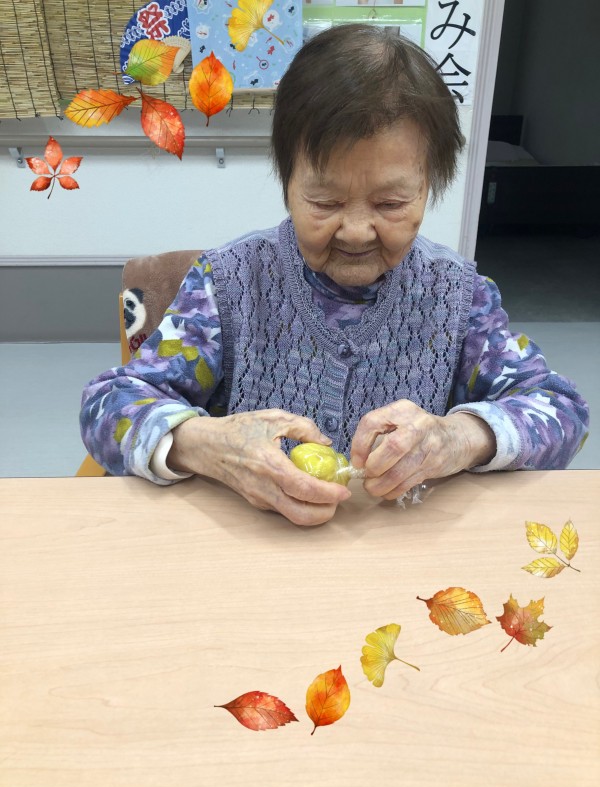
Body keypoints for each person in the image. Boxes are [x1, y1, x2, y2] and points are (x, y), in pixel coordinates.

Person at [80, 24, 589, 526]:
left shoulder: (459, 296)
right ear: (287, 183)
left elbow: (561, 410)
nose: (357, 230)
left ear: (429, 186)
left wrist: (458, 437)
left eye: (391, 203)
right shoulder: (227, 284)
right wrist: (208, 445)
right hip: (255, 550)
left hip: (404, 554)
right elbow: (108, 405)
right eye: (325, 202)